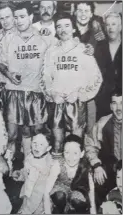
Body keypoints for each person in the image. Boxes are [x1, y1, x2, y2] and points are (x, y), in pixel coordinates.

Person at [0, 2, 50, 169]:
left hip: (35, 92)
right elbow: (0, 62)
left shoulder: (43, 38)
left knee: (32, 132)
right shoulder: (7, 38)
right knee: (11, 133)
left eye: (22, 17)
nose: (18, 21)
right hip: (13, 91)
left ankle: (28, 166)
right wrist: (9, 73)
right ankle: (7, 165)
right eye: (15, 17)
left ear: (31, 17)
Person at [41, 12, 102, 157]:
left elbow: (97, 78)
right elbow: (45, 77)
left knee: (75, 144)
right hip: (57, 103)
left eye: (67, 26)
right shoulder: (51, 51)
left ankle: (76, 177)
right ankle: (57, 176)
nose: (63, 30)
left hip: (76, 104)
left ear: (74, 28)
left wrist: (80, 94)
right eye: (59, 26)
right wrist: (51, 93)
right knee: (57, 142)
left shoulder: (83, 50)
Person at [85, 88, 122, 208]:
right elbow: (90, 144)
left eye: (122, 103)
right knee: (99, 183)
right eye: (115, 103)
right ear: (111, 106)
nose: (119, 108)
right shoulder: (102, 122)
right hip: (110, 169)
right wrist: (96, 165)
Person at [73, 1, 107, 135]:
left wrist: (95, 52)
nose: (83, 14)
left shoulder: (98, 34)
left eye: (86, 11)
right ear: (74, 12)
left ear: (91, 13)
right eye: (80, 10)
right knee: (73, 126)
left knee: (90, 127)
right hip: (71, 88)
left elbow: (104, 60)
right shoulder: (67, 30)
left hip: (89, 90)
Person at [43, 135, 95, 214]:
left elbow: (91, 192)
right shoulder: (58, 165)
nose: (70, 157)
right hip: (61, 190)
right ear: (63, 152)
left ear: (82, 153)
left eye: (75, 153)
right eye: (67, 152)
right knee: (59, 196)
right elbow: (46, 192)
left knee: (78, 201)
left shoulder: (86, 167)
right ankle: (60, 210)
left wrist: (93, 212)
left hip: (77, 191)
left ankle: (75, 211)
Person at [11, 128, 54, 214]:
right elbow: (27, 172)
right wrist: (21, 174)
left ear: (48, 148)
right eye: (34, 143)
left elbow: (41, 190)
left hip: (41, 201)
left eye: (41, 144)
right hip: (28, 195)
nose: (36, 146)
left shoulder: (48, 164)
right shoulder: (30, 157)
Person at [94, 12, 122, 120]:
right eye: (107, 25)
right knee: (103, 130)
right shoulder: (99, 46)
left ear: (120, 26)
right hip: (103, 100)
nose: (110, 28)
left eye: (114, 24)